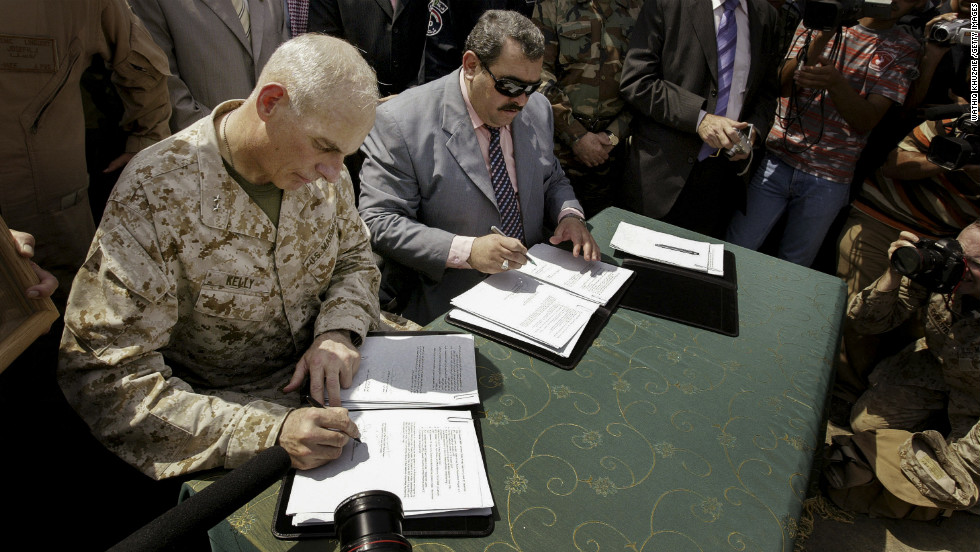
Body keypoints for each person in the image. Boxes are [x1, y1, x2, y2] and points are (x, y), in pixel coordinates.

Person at [58, 34, 382, 479]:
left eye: (345, 153)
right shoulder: (157, 193)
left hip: (344, 394)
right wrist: (267, 434)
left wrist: (339, 331)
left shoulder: (324, 171)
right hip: (226, 423)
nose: (333, 171)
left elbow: (354, 259)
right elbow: (106, 379)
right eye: (325, 146)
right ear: (270, 102)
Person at [358, 9, 598, 325]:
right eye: (510, 86)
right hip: (453, 300)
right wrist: (468, 251)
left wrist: (569, 215)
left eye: (531, 87)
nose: (522, 101)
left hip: (539, 292)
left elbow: (551, 177)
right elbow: (379, 221)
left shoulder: (537, 109)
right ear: (471, 66)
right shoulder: (401, 123)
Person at [725, 0, 925, 266]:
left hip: (830, 176)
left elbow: (867, 119)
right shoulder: (821, 14)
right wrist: (820, 38)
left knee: (794, 267)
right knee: (737, 248)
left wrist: (834, 82)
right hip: (777, 156)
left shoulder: (905, 47)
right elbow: (780, 86)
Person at [0, 0, 171, 306]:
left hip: (51, 211)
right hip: (52, 206)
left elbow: (142, 66)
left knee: (66, 311)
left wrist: (147, 143)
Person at [834, 112, 980, 402]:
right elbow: (893, 163)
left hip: (951, 245)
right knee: (859, 305)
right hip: (882, 218)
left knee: (921, 323)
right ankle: (844, 393)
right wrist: (953, 162)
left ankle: (880, 393)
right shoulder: (958, 125)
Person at [839, 222, 980, 514]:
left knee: (952, 481)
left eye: (975, 263)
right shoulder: (944, 271)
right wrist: (894, 272)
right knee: (865, 425)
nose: (960, 266)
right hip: (939, 373)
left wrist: (956, 459)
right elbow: (864, 321)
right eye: (958, 252)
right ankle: (938, 429)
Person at [619, 0, 780, 239]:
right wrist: (700, 119)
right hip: (662, 177)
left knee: (697, 273)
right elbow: (638, 82)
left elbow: (766, 93)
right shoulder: (668, 4)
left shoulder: (766, 16)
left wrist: (752, 133)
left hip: (722, 180)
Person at [532, 0, 642, 216]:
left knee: (605, 230)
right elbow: (538, 74)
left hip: (613, 155)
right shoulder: (552, 5)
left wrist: (613, 135)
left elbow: (645, 81)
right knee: (553, 229)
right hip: (557, 151)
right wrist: (576, 136)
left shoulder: (641, 8)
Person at [130, 0, 290, 132]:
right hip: (206, 151)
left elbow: (284, 62)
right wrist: (220, 138)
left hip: (277, 146)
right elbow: (165, 84)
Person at [308, 0, 429, 98]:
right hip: (358, 108)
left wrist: (413, 94)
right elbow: (325, 52)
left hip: (422, 102)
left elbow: (439, 44)